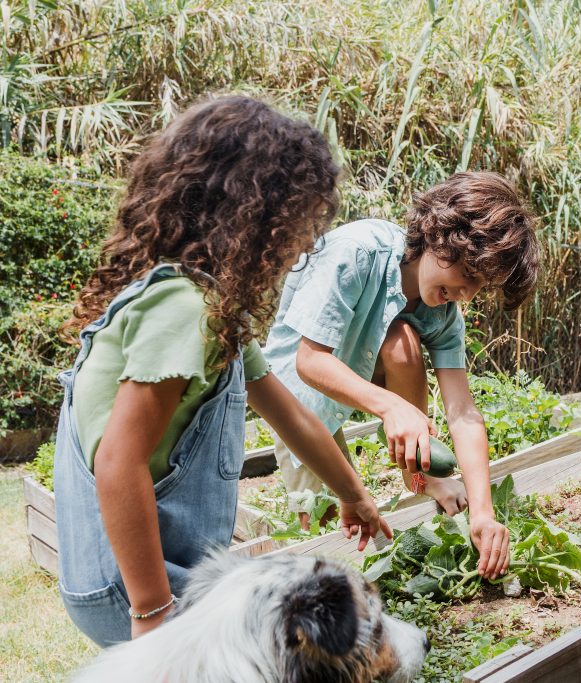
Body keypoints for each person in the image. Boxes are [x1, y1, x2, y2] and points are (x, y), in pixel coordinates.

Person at [54, 95, 391, 647]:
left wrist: (353, 494)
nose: (306, 241)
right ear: (250, 214)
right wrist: (151, 612)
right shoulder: (182, 311)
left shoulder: (211, 313)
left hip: (146, 575)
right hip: (137, 584)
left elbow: (293, 416)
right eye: (299, 220)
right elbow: (118, 462)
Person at [262, 171, 539, 580]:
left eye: (480, 286)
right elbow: (310, 362)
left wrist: (483, 514)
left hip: (363, 368)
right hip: (298, 394)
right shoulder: (358, 252)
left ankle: (420, 474)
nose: (467, 295)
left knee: (403, 337)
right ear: (440, 237)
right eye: (467, 275)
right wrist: (393, 407)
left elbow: (462, 413)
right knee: (324, 527)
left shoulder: (442, 312)